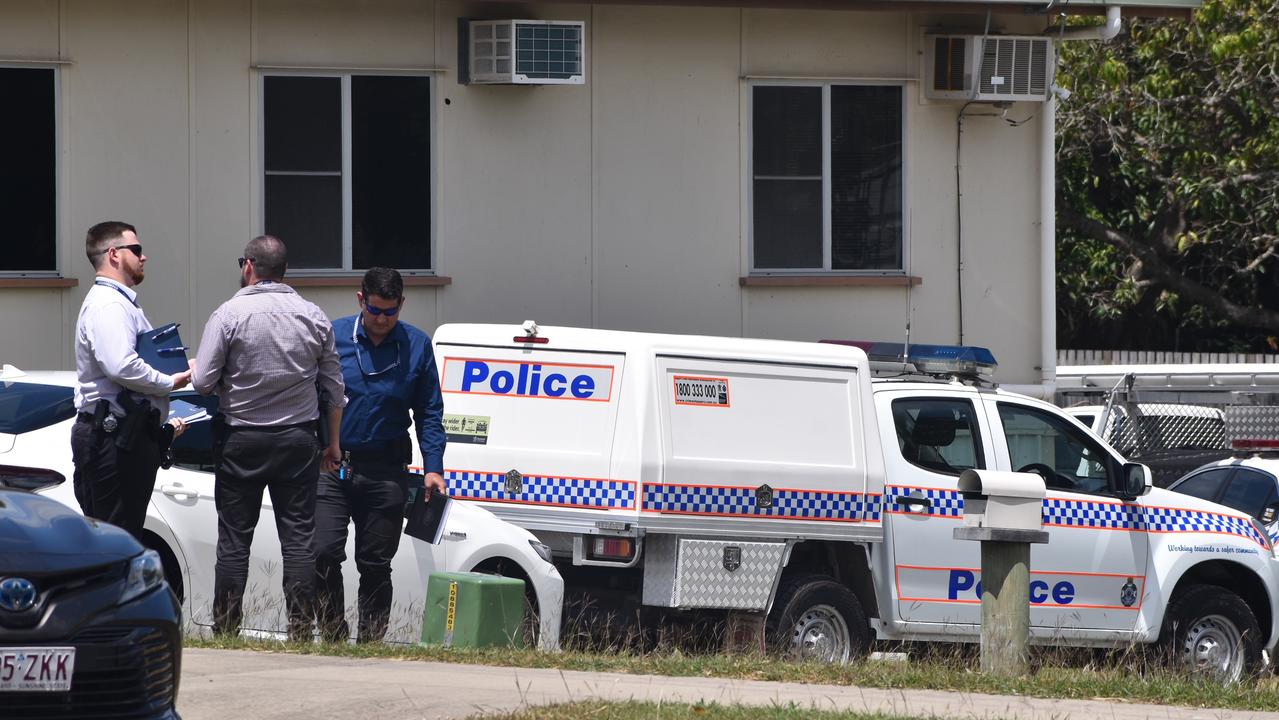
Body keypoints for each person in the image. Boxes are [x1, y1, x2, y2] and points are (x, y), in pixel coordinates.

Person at [193, 235, 346, 641]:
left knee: (234, 540)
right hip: (297, 439)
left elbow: (203, 382)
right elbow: (333, 387)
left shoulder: (228, 314)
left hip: (241, 438)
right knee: (298, 539)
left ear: (248, 266)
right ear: (285, 271)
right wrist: (333, 443)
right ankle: (300, 629)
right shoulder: (313, 315)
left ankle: (226, 629)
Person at [315, 267, 447, 643]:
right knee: (323, 552)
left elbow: (430, 412)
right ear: (361, 300)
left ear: (401, 305)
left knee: (375, 563)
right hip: (334, 465)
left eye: (391, 312)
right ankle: (332, 635)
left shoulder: (416, 345)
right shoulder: (333, 337)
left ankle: (370, 642)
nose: (382, 320)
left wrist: (433, 467)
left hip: (387, 469)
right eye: (375, 310)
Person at [72, 221, 192, 540]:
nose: (144, 257)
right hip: (113, 439)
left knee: (120, 539)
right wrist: (170, 382)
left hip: (122, 436)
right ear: (113, 254)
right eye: (136, 250)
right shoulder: (109, 304)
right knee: (116, 543)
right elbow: (121, 366)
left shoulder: (118, 302)